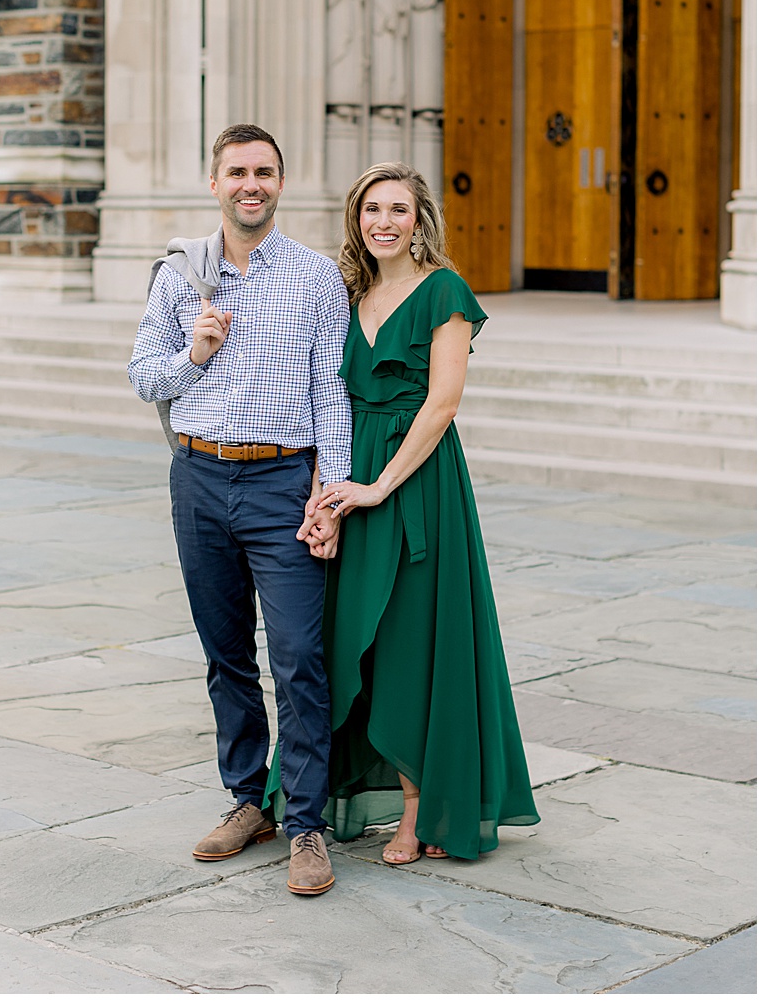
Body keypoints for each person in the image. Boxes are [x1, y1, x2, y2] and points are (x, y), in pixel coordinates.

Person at [272, 161, 538, 863]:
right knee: (349, 636)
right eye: (370, 210)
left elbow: (442, 403)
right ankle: (322, 793)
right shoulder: (348, 292)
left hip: (415, 483)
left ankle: (421, 810)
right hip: (351, 474)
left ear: (421, 219)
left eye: (398, 209)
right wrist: (327, 493)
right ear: (355, 220)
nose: (383, 222)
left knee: (413, 639)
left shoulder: (443, 291)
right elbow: (329, 402)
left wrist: (379, 486)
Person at [128, 124, 351, 897]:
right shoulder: (179, 278)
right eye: (236, 172)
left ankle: (306, 826)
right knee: (225, 654)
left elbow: (331, 391)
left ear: (280, 184)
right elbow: (143, 376)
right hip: (197, 478)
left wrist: (334, 493)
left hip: (282, 483)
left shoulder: (318, 277)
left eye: (263, 172)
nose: (250, 184)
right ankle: (245, 801)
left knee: (297, 658)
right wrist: (194, 354)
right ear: (213, 182)